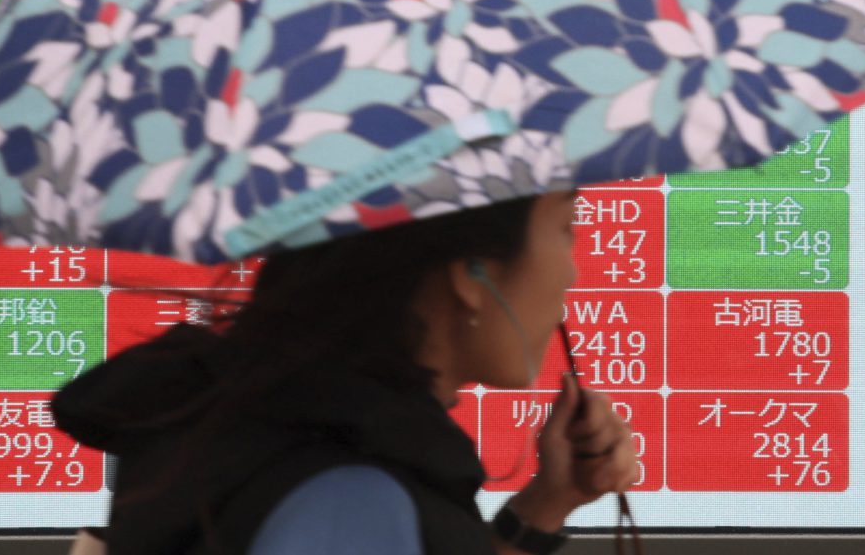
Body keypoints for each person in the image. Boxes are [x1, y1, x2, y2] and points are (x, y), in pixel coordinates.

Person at [52, 189, 640, 555]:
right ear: (471, 274)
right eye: (566, 227)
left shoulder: (283, 428)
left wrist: (545, 506)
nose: (572, 271)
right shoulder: (350, 495)